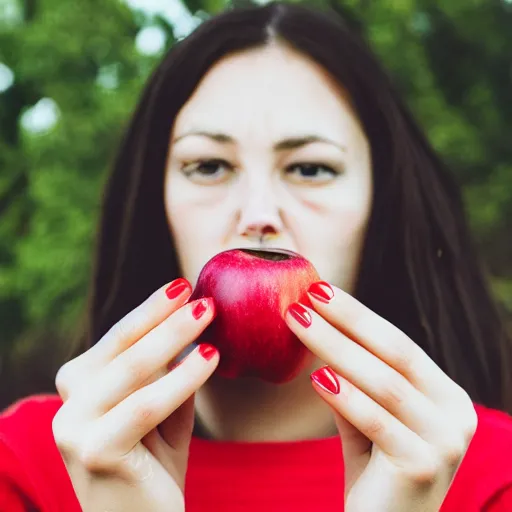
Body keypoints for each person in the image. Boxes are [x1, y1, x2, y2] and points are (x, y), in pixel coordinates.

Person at [1, 2, 512, 511]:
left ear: (382, 207)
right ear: (155, 206)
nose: (258, 214)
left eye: (311, 169)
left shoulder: (491, 477)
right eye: (208, 165)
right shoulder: (25, 466)